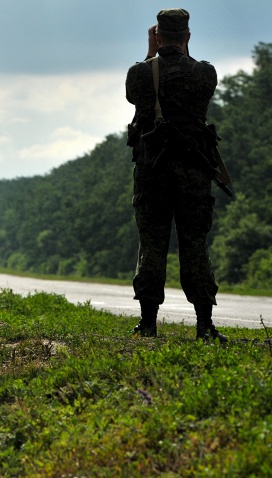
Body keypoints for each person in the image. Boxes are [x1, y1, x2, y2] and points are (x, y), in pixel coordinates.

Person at [125, 8, 227, 343]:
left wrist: (149, 54)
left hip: (152, 173)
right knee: (195, 244)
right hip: (193, 175)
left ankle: (148, 324)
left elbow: (133, 96)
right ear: (187, 36)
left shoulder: (140, 74)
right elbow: (197, 90)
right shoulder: (205, 73)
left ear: (157, 35)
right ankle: (204, 325)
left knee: (152, 244)